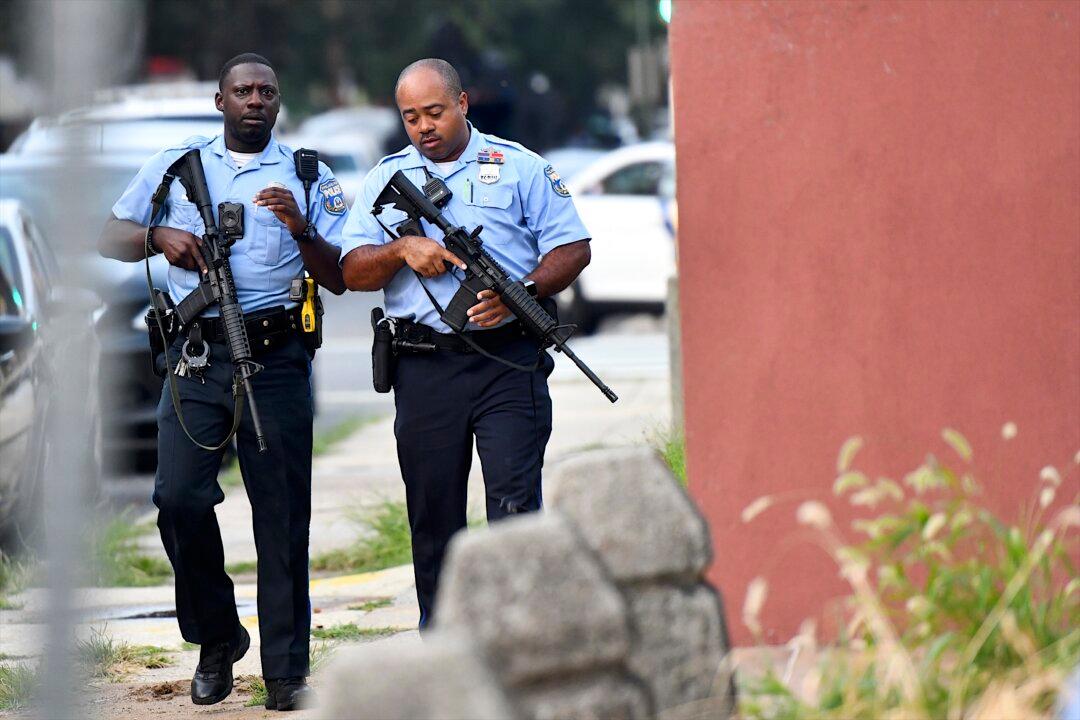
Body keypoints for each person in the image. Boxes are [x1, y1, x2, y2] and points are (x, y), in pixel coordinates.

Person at [98, 53, 346, 711]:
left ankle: (287, 673)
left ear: (278, 101)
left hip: (278, 359)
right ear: (220, 101)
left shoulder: (308, 172)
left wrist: (301, 227)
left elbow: (341, 272)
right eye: (243, 91)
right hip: (199, 358)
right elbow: (109, 233)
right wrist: (159, 236)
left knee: (283, 520)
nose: (255, 100)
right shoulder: (179, 165)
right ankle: (217, 638)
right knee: (177, 498)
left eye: (267, 90)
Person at [340, 58, 592, 627]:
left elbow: (573, 247)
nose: (424, 127)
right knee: (434, 515)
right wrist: (401, 251)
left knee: (514, 506)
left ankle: (522, 639)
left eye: (434, 112)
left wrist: (520, 292)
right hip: (425, 368)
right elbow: (352, 270)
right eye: (411, 117)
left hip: (508, 360)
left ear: (462, 105)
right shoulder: (384, 180)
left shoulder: (519, 167)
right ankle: (445, 649)